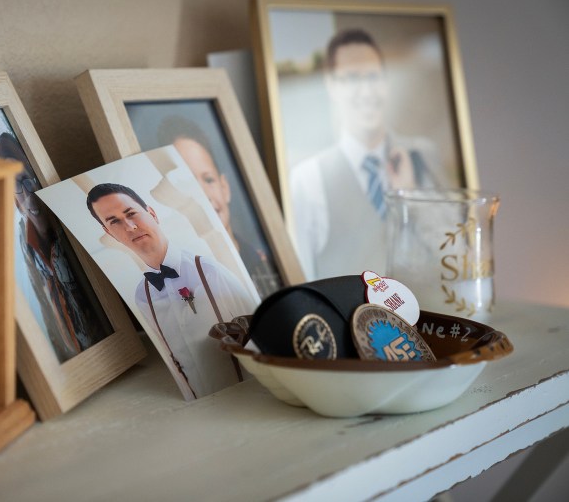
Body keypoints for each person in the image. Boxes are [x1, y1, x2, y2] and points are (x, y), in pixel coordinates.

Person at [289, 28, 446, 280]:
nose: (366, 92)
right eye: (352, 79)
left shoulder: (422, 155)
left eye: (373, 77)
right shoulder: (308, 179)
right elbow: (301, 279)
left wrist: (412, 195)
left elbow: (455, 256)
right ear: (331, 86)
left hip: (427, 316)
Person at [86, 182, 257, 399]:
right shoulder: (142, 296)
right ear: (109, 232)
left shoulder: (209, 272)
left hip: (245, 400)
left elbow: (259, 337)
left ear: (152, 213)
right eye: (115, 222)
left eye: (131, 213)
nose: (129, 226)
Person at [0, 133, 112, 361]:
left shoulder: (73, 228)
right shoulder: (23, 245)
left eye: (30, 180)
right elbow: (46, 310)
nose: (28, 195)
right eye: (17, 185)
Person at [156, 116, 282, 298]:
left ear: (225, 188)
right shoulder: (185, 280)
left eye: (208, 180)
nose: (204, 195)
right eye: (186, 183)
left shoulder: (267, 265)